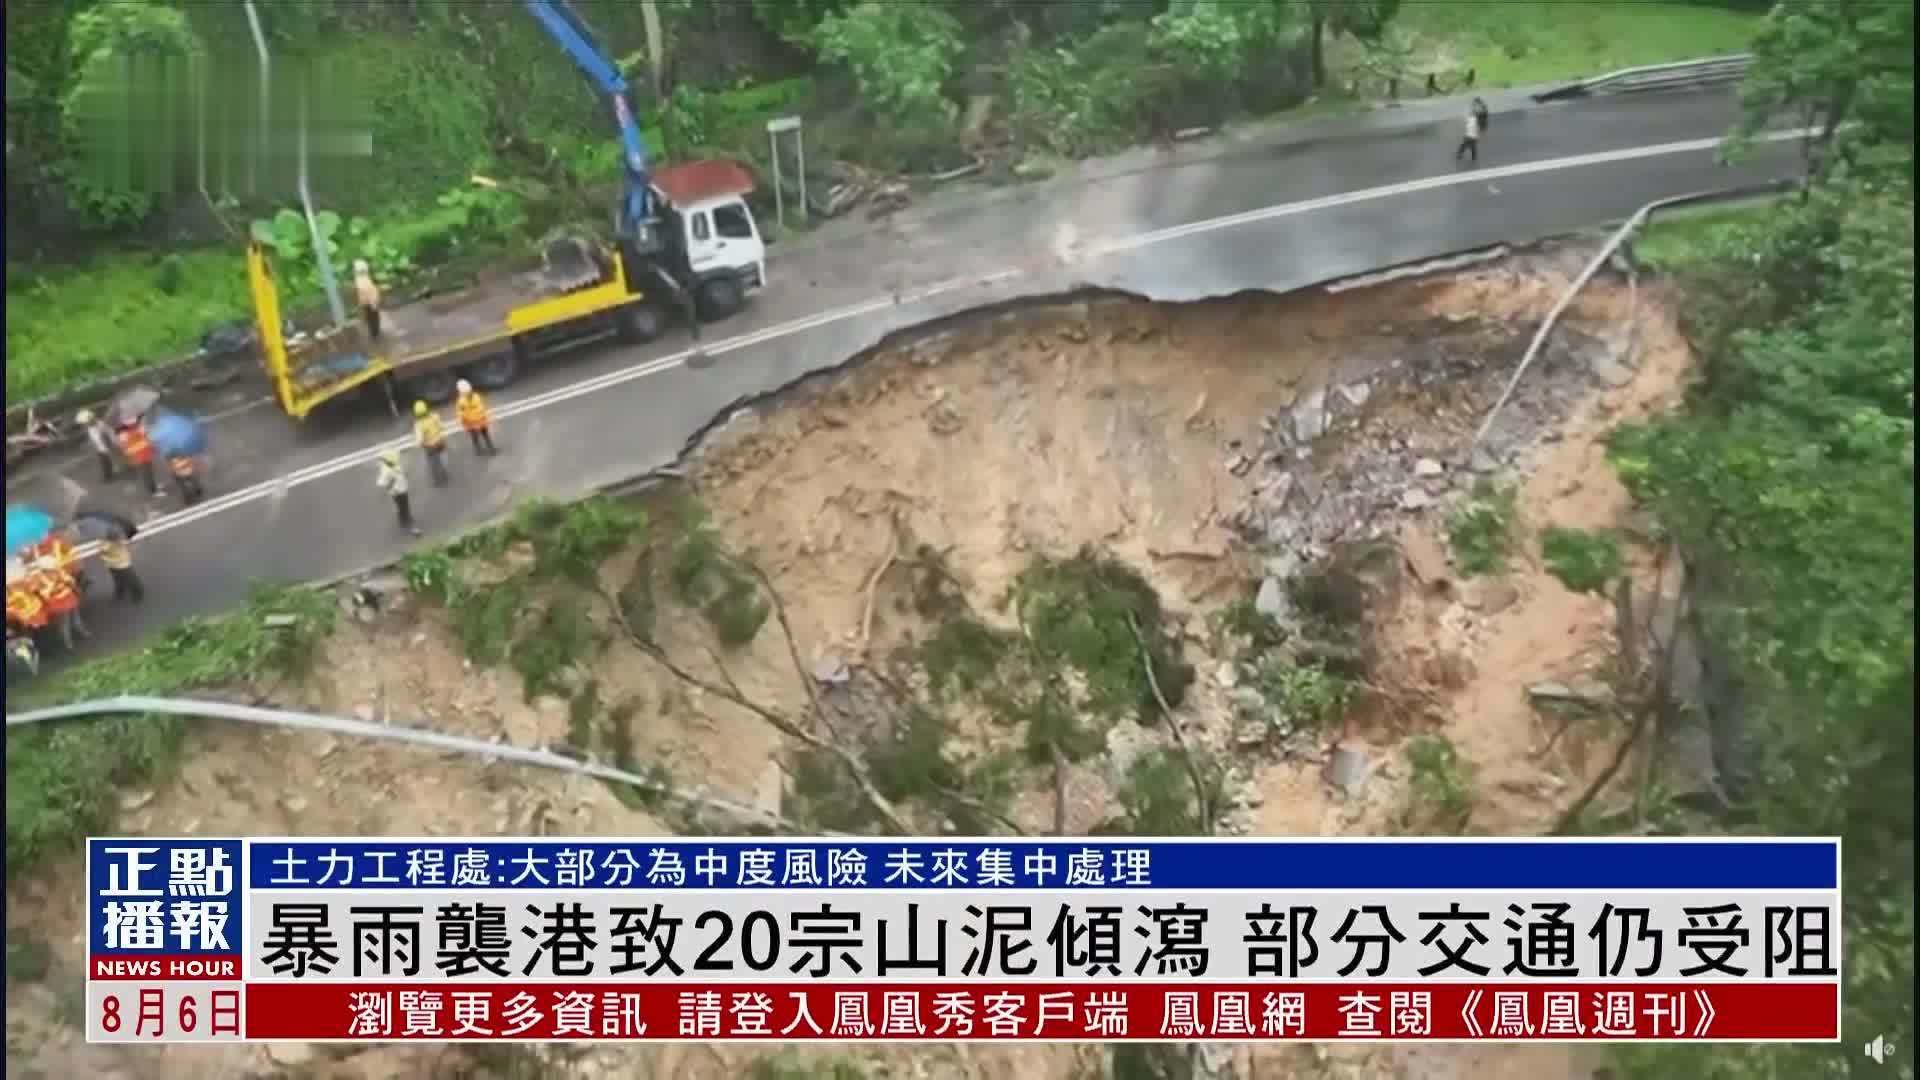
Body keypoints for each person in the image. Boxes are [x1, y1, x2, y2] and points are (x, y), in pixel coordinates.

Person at [33, 567, 87, 651]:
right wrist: (53, 586)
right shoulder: (40, 579)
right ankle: (68, 643)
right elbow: (44, 594)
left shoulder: (57, 572)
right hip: (58, 603)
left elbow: (69, 580)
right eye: (48, 569)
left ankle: (81, 631)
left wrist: (67, 581)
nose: (51, 571)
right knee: (64, 624)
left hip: (68, 597)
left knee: (76, 618)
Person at [376, 451, 421, 537]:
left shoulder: (390, 468)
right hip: (398, 491)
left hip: (399, 490)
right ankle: (405, 518)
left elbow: (383, 482)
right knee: (402, 505)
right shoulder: (390, 469)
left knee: (403, 504)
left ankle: (405, 518)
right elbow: (383, 482)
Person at [115, 418, 161, 497]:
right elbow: (127, 449)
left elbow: (146, 438)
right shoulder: (124, 434)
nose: (135, 421)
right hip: (139, 457)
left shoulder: (137, 428)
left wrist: (144, 434)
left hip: (145, 454)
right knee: (147, 474)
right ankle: (153, 491)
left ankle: (154, 487)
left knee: (149, 472)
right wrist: (141, 436)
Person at [454, 379, 498, 456]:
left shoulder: (461, 401)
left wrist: (463, 423)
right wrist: (487, 419)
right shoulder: (476, 396)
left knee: (475, 438)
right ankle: (491, 449)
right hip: (480, 422)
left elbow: (461, 415)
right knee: (485, 436)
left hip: (472, 424)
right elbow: (482, 408)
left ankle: (479, 450)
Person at [98, 533, 145, 604]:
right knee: (117, 578)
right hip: (110, 562)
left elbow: (126, 543)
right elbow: (102, 548)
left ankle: (138, 592)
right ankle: (120, 590)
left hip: (121, 562)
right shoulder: (102, 536)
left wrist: (107, 547)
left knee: (130, 578)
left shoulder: (116, 535)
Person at [412, 400, 450, 486]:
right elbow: (442, 426)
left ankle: (437, 480)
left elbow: (420, 439)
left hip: (429, 447)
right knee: (442, 458)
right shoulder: (434, 417)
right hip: (440, 441)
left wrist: (418, 444)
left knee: (433, 463)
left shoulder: (418, 424)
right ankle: (444, 474)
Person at [77, 409, 118, 482]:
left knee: (107, 460)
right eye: (84, 423)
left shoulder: (100, 425)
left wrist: (110, 445)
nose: (84, 425)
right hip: (100, 448)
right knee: (104, 461)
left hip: (105, 446)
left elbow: (108, 434)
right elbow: (96, 439)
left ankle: (108, 476)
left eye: (84, 423)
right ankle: (108, 475)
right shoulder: (91, 428)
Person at [355, 259, 384, 340]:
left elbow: (366, 291)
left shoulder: (361, 279)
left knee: (371, 317)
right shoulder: (364, 279)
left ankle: (375, 333)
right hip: (369, 301)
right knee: (373, 317)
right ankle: (375, 333)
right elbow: (366, 291)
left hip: (368, 302)